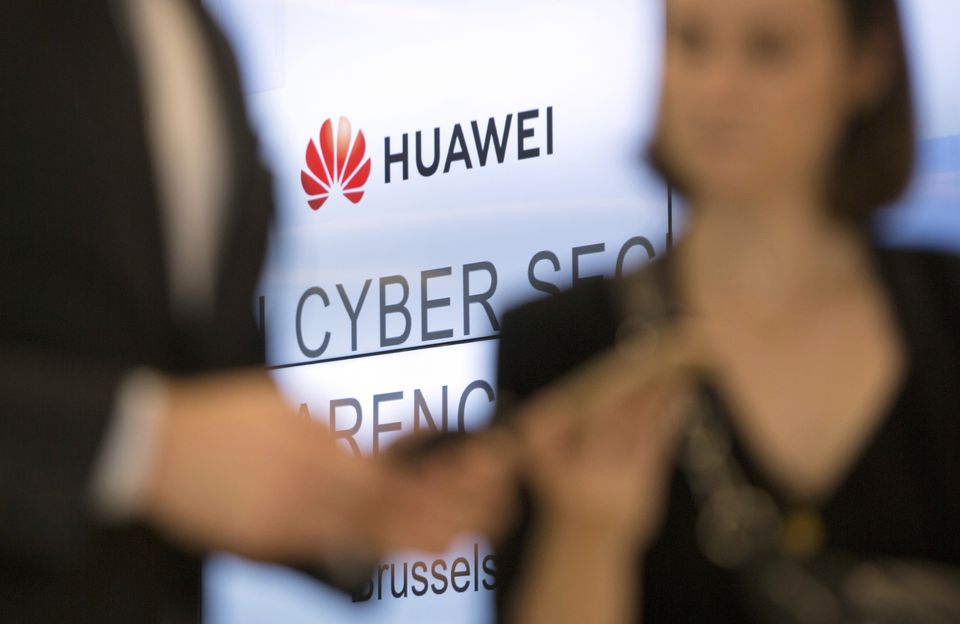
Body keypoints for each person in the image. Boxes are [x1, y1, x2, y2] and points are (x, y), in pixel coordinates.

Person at [0, 1, 508, 622]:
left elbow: (205, 399)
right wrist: (139, 444)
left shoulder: (206, 40)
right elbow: (169, 436)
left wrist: (349, 502)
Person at [491, 0, 960, 622]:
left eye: (768, 48)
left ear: (866, 64)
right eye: (689, 41)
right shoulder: (564, 344)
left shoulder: (948, 309)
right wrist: (589, 534)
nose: (716, 87)